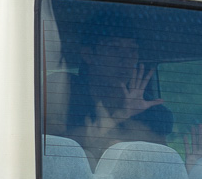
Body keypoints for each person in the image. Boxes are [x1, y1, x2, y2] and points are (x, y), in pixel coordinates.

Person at [67, 34, 174, 164]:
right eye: (114, 48)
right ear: (88, 54)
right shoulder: (66, 91)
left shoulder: (152, 112)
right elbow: (53, 148)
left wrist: (195, 169)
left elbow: (162, 163)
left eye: (133, 50)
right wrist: (119, 116)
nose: (126, 59)